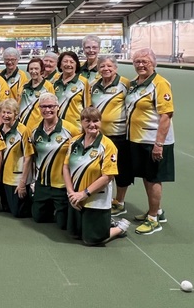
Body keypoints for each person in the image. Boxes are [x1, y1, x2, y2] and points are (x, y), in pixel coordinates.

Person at [125, 48, 175, 235]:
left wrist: (159, 144)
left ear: (153, 63)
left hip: (153, 140)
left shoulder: (160, 83)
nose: (140, 65)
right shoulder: (134, 83)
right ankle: (157, 211)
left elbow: (166, 116)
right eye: (137, 61)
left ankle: (153, 219)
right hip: (138, 139)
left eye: (144, 61)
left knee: (154, 178)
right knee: (147, 176)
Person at [63, 107, 129, 245]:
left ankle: (120, 227)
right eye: (87, 121)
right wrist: (71, 193)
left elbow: (108, 176)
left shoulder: (108, 145)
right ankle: (102, 224)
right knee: (74, 234)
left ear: (101, 122)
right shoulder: (74, 141)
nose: (92, 125)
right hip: (75, 197)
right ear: (81, 122)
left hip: (96, 199)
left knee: (91, 240)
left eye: (96, 121)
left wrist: (84, 194)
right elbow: (66, 167)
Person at [30, 93, 80, 229]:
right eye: (43, 107)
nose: (47, 110)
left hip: (61, 185)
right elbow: (33, 156)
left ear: (58, 107)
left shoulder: (70, 130)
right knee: (38, 218)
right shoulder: (34, 131)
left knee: (63, 224)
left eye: (51, 106)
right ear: (39, 108)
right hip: (43, 183)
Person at [90, 55, 131, 217]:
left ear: (115, 68)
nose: (106, 69)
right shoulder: (94, 85)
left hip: (119, 135)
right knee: (102, 170)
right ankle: (105, 200)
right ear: (98, 69)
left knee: (121, 170)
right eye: (102, 66)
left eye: (109, 66)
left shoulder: (125, 84)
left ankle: (120, 202)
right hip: (99, 136)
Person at [0, 99, 33, 218]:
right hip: (3, 177)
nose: (5, 115)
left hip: (16, 178)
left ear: (16, 114)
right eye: (3, 112)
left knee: (18, 213)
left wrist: (22, 183)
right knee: (6, 209)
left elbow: (28, 157)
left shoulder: (23, 131)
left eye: (9, 113)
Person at [53, 51, 91, 131]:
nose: (68, 64)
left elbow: (87, 107)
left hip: (76, 127)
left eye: (71, 62)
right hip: (56, 127)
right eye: (65, 61)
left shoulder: (83, 82)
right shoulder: (54, 81)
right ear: (60, 65)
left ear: (76, 65)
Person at [18, 57, 54, 131]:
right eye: (31, 69)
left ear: (41, 70)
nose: (33, 71)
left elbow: (53, 108)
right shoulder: (24, 86)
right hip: (22, 127)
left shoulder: (48, 86)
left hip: (38, 128)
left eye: (36, 69)